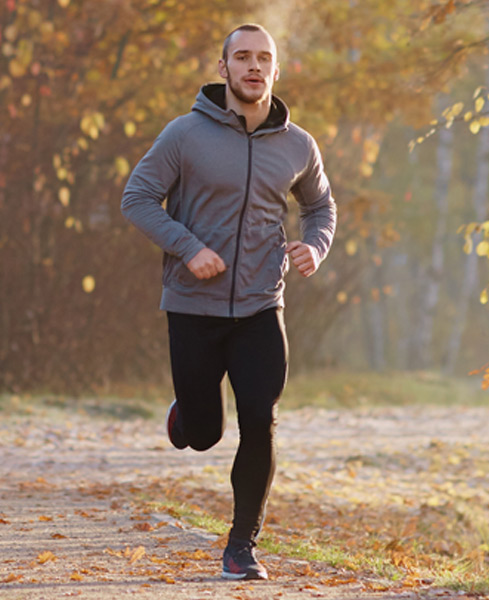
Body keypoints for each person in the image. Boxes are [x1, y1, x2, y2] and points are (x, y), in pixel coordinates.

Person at [119, 23, 336, 581]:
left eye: (264, 58)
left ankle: (242, 546)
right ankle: (187, 417)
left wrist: (314, 246)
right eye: (242, 57)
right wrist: (188, 249)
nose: (254, 67)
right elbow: (138, 198)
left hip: (264, 305)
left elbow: (320, 208)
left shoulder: (298, 145)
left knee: (260, 420)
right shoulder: (185, 135)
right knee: (206, 433)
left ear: (276, 71)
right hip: (193, 303)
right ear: (223, 69)